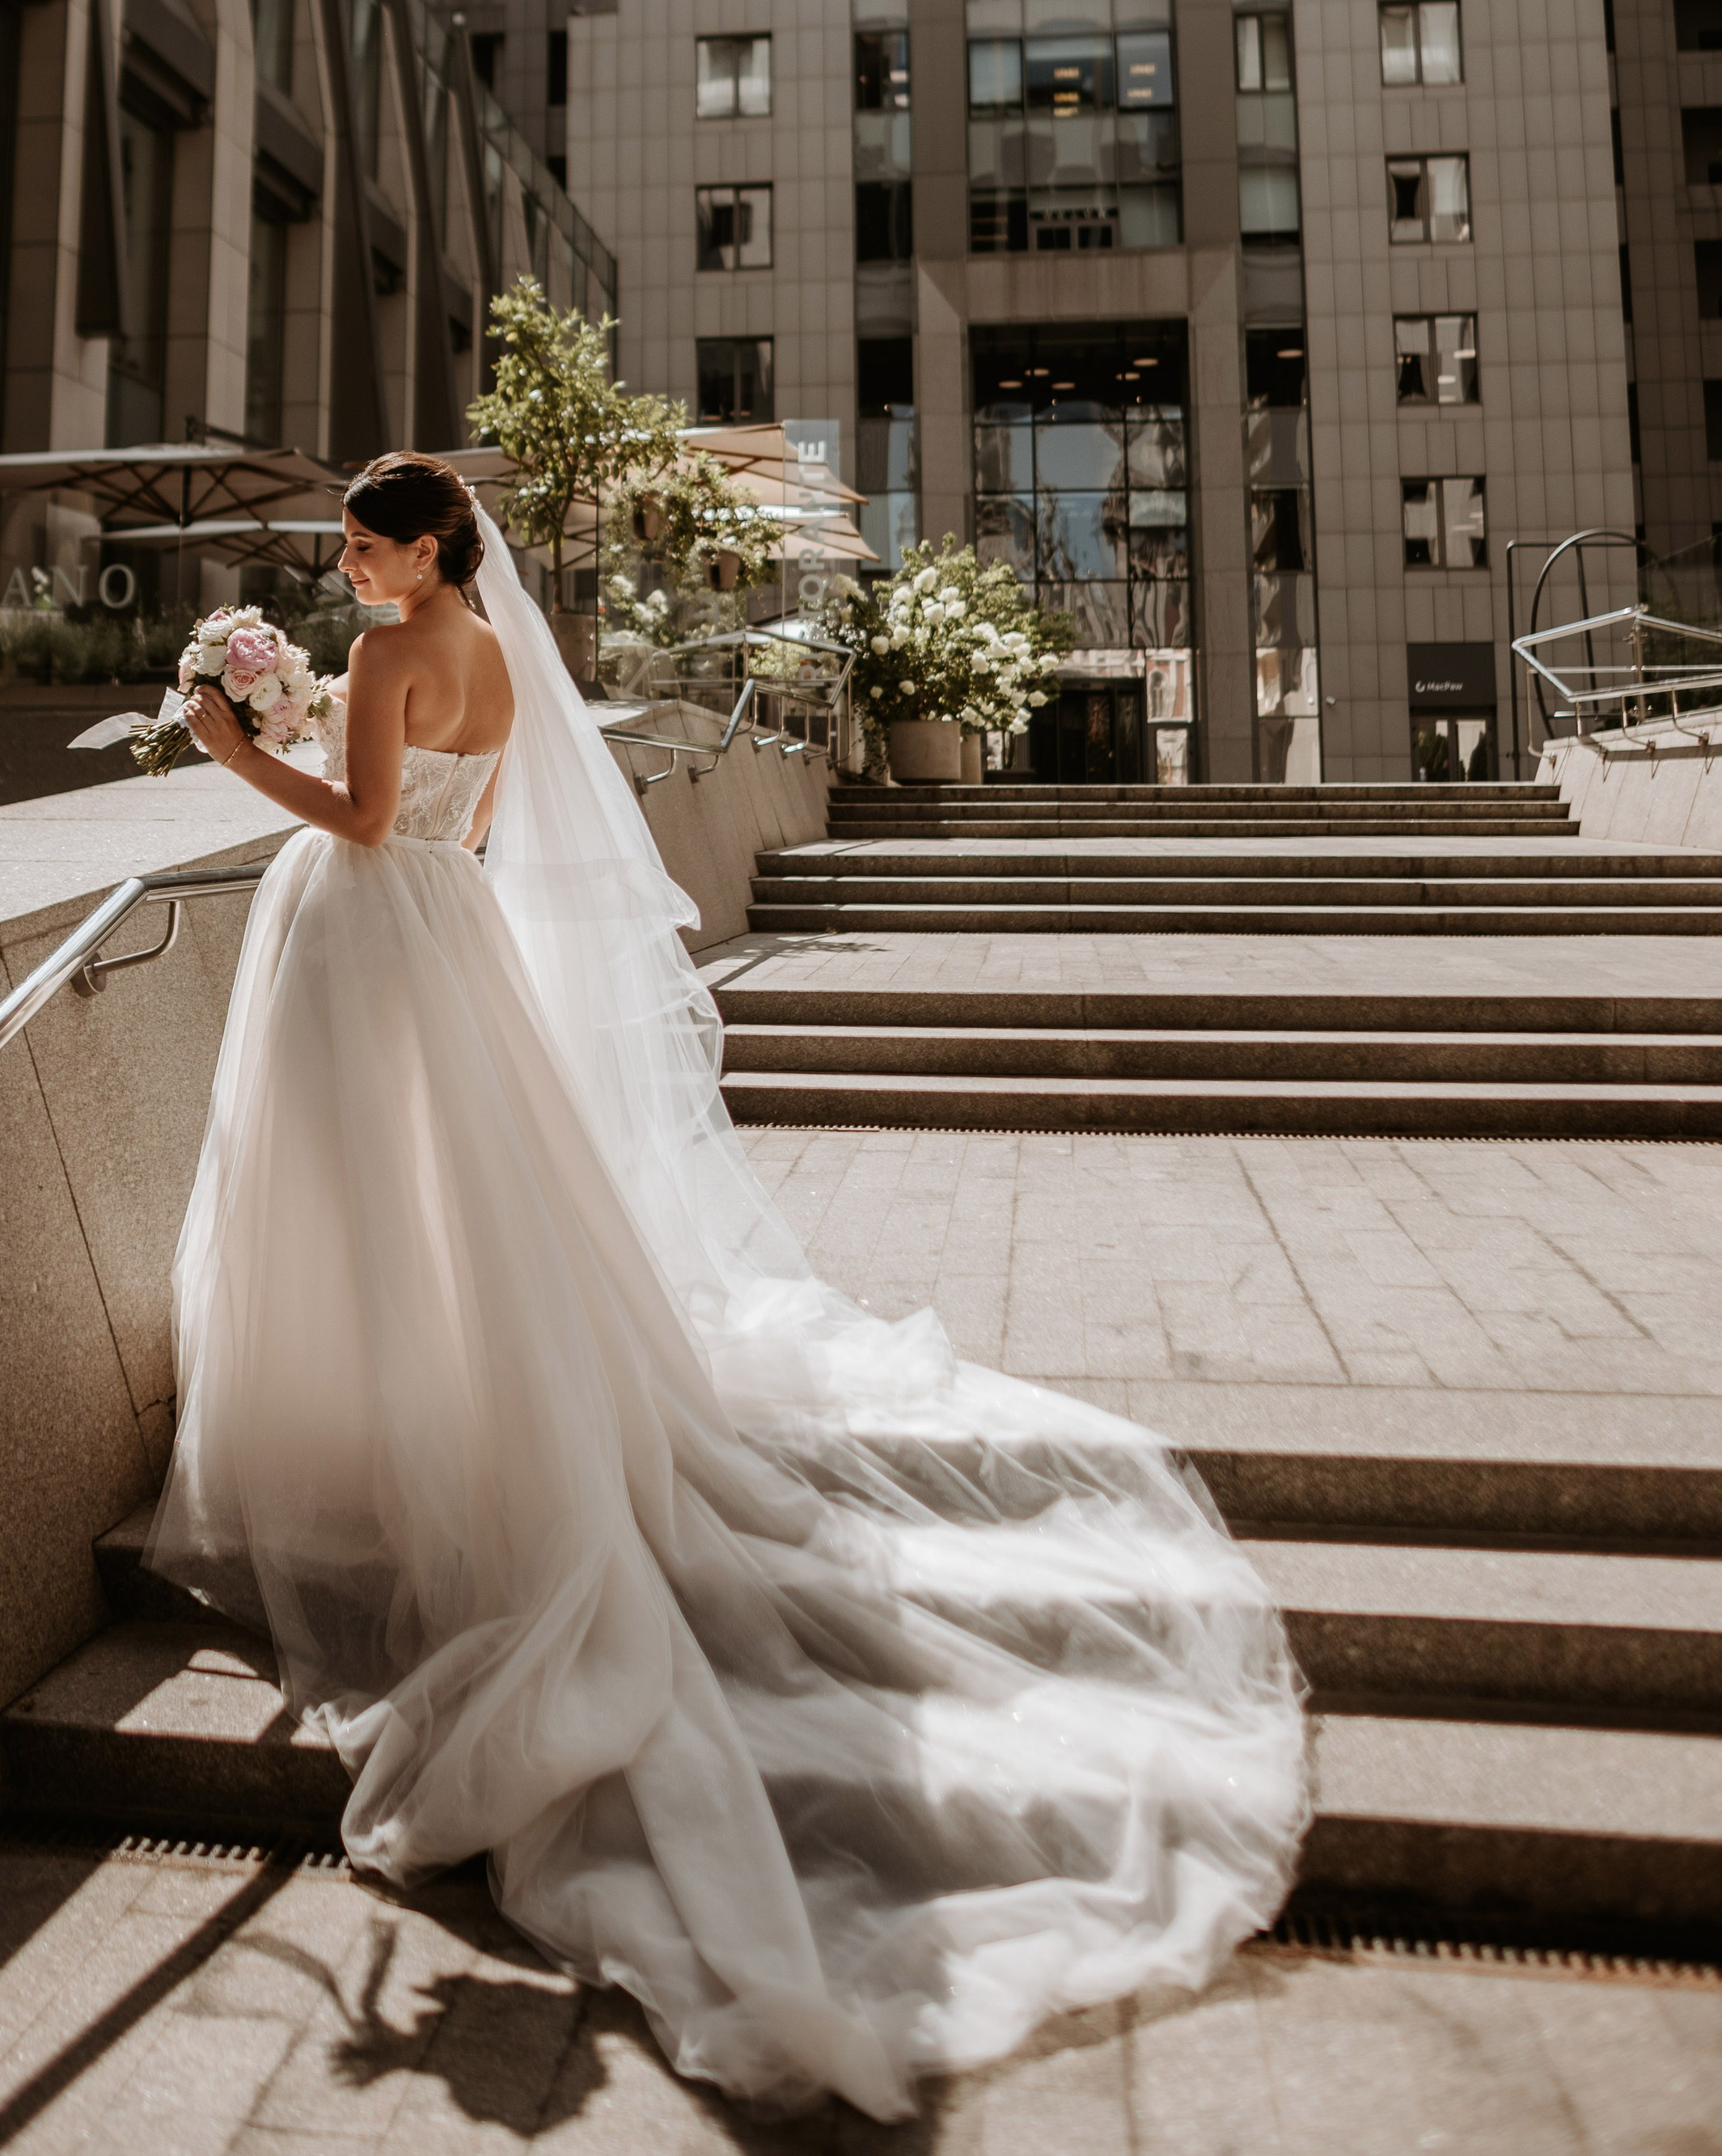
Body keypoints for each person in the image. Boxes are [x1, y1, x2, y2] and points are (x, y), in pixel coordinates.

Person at [155, 449, 1306, 2119]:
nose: (342, 568)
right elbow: (470, 819)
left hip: (368, 925)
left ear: (423, 547)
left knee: (364, 1187)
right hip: (449, 934)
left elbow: (359, 818)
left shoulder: (398, 651)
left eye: (359, 544)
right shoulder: (490, 649)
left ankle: (365, 1419)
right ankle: (434, 1404)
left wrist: (236, 748)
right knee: (464, 1197)